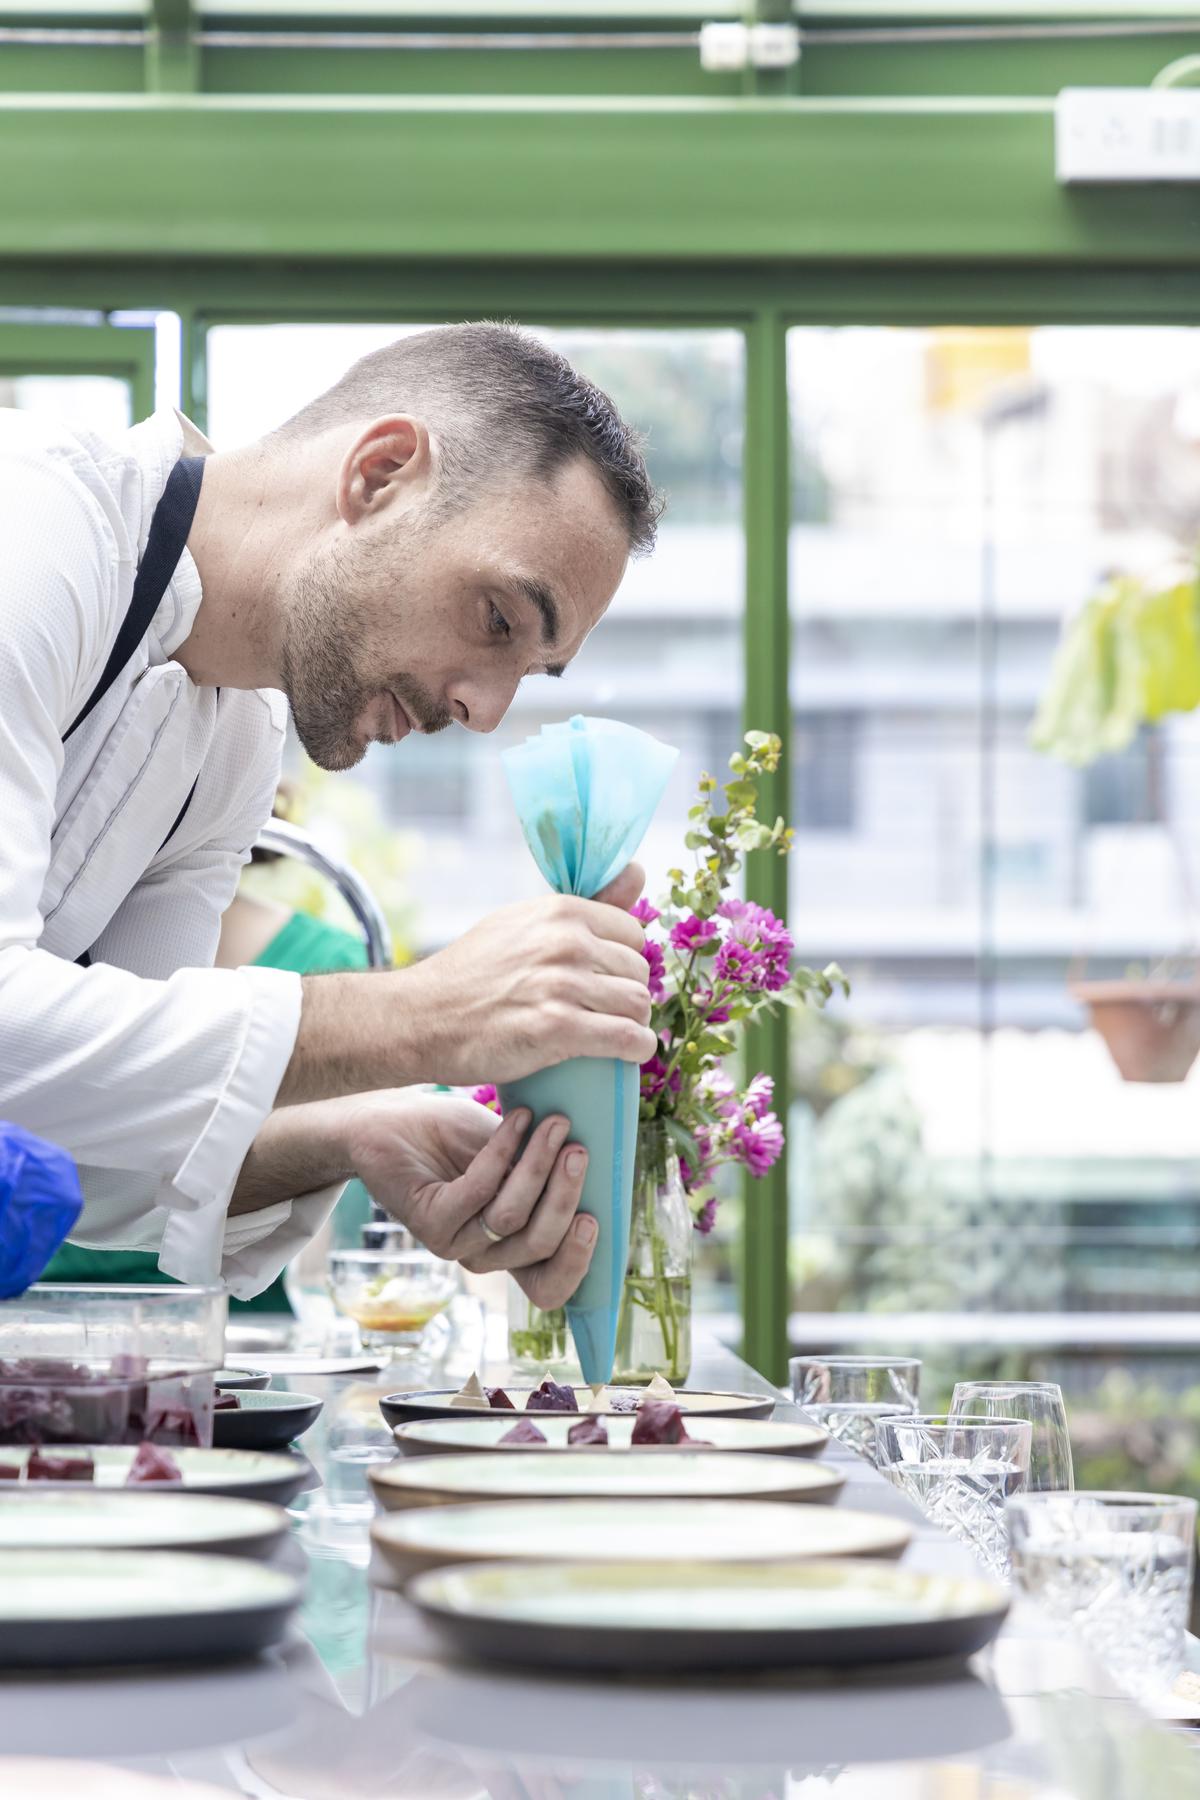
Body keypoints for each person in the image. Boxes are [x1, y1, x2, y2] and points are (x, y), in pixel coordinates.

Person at [0, 322, 660, 1309]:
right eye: (496, 621)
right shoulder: (35, 529)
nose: (485, 712)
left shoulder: (235, 741)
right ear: (381, 473)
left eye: (530, 669)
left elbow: (72, 1138)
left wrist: (352, 1140)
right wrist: (427, 1013)